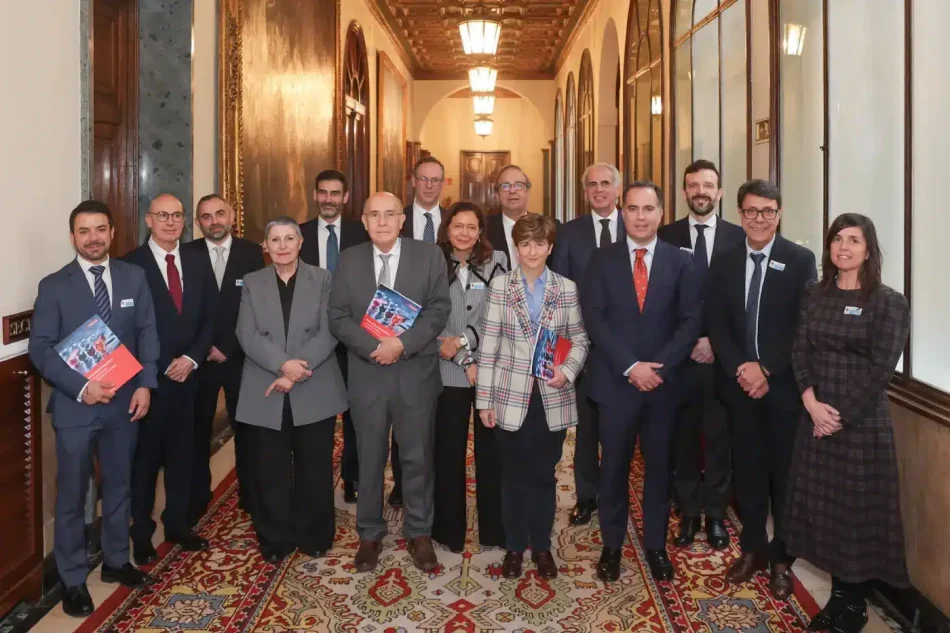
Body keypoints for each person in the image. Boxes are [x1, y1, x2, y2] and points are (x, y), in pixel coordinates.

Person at [29, 201, 159, 617]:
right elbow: (40, 349)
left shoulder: (133, 277)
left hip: (125, 404)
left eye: (100, 229)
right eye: (84, 231)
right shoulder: (54, 286)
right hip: (76, 407)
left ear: (112, 232)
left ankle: (117, 560)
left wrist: (146, 385)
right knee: (72, 496)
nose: (93, 238)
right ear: (73, 237)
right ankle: (71, 579)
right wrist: (81, 387)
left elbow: (147, 334)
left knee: (120, 486)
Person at [784, 214, 910, 633]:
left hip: (859, 425)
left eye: (853, 240)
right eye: (837, 238)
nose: (843, 246)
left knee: (855, 515)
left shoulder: (888, 301)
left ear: (868, 249)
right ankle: (838, 598)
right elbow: (799, 351)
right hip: (815, 416)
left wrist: (838, 416)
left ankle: (853, 608)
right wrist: (811, 403)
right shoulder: (814, 294)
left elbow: (881, 370)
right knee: (826, 514)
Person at [581, 181, 701, 583]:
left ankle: (655, 545)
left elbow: (689, 322)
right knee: (612, 468)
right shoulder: (601, 260)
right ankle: (612, 545)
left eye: (648, 209)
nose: (640, 216)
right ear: (622, 211)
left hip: (664, 389)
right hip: (616, 385)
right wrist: (631, 366)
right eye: (632, 209)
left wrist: (659, 368)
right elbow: (595, 319)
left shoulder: (680, 262)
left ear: (661, 213)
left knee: (659, 470)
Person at [705, 179, 817, 600]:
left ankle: (782, 560)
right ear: (740, 214)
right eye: (751, 211)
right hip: (738, 388)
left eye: (767, 211)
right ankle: (752, 549)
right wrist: (741, 368)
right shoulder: (725, 260)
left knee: (783, 478)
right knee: (748, 474)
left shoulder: (801, 260)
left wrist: (766, 368)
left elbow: (802, 326)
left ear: (779, 214)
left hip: (784, 389)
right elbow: (716, 322)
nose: (759, 219)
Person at [328, 192, 450, 573]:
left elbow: (439, 309)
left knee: (417, 456)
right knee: (369, 457)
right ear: (363, 221)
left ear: (402, 220)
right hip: (368, 374)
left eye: (390, 214)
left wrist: (401, 344)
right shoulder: (348, 260)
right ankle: (369, 532)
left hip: (415, 372)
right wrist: (373, 348)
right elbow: (338, 315)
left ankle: (419, 532)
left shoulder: (429, 256)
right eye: (374, 215)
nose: (382, 221)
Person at [476, 213, 589, 580]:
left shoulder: (567, 288)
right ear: (516, 247)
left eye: (540, 243)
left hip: (551, 396)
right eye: (526, 244)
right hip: (509, 397)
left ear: (550, 247)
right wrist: (484, 401)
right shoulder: (499, 287)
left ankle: (541, 545)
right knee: (512, 476)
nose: (533, 250)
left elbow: (579, 339)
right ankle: (514, 546)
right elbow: (489, 346)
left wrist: (567, 371)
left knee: (543, 475)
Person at [234, 217, 347, 563]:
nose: (282, 246)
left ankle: (315, 535)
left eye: (289, 238)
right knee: (270, 470)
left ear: (301, 243)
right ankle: (275, 539)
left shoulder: (324, 278)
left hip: (314, 384)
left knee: (315, 468)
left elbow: (330, 330)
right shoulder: (253, 282)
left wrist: (297, 370)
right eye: (274, 239)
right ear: (265, 247)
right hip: (266, 386)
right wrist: (283, 366)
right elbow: (246, 333)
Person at [123, 193, 217, 564]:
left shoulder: (197, 259)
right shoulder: (131, 264)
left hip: (190, 378)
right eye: (162, 215)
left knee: (184, 456)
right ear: (148, 219)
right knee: (144, 463)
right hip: (150, 383)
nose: (170, 222)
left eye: (177, 215)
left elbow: (211, 314)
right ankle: (141, 534)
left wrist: (192, 358)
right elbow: (128, 328)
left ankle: (177, 525)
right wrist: (162, 364)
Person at [657, 159, 744, 549]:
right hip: (681, 357)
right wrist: (687, 343)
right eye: (693, 185)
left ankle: (716, 515)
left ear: (720, 192)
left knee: (721, 438)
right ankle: (689, 513)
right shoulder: (665, 235)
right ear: (684, 192)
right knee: (685, 439)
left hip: (723, 358)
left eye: (708, 185)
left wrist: (715, 343)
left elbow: (740, 303)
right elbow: (660, 299)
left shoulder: (739, 237)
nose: (701, 192)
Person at [431, 202, 508, 553]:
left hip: (490, 369)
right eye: (457, 226)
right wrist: (463, 358)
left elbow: (499, 314)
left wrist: (464, 343)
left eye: (471, 227)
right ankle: (449, 530)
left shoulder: (499, 262)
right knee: (447, 453)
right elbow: (424, 319)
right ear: (447, 229)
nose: (464, 233)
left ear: (481, 231)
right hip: (446, 372)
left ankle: (495, 530)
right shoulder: (429, 263)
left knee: (491, 454)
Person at [184, 194, 265, 524]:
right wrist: (202, 347)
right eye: (206, 216)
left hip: (239, 356)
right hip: (198, 361)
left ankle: (250, 494)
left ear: (232, 216)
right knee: (196, 431)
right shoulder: (187, 254)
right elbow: (185, 309)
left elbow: (256, 305)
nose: (214, 221)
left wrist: (228, 345)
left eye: (219, 214)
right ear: (198, 222)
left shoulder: (251, 253)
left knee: (246, 429)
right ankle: (198, 496)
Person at [551, 162, 623, 527]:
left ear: (618, 189)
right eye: (592, 184)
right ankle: (586, 496)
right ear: (585, 191)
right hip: (583, 349)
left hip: (627, 350)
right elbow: (560, 295)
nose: (599, 190)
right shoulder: (569, 233)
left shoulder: (637, 228)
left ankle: (616, 494)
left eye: (606, 183)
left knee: (621, 429)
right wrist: (561, 356)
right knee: (586, 429)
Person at [300, 169, 370, 504]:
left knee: (355, 412)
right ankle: (314, 478)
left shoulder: (362, 233)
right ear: (315, 195)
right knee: (319, 414)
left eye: (335, 193)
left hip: (354, 338)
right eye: (323, 192)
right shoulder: (297, 236)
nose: (328, 199)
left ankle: (352, 476)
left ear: (345, 197)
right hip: (312, 341)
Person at [387, 156, 448, 507]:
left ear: (443, 183)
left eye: (435, 179)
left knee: (434, 413)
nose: (429, 185)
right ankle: (401, 481)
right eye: (423, 179)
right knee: (402, 413)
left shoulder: (450, 223)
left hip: (443, 323)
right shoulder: (396, 220)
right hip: (402, 333)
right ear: (413, 181)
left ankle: (432, 479)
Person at [485, 164, 532, 269]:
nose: (512, 191)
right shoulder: (483, 229)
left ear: (527, 191)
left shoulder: (548, 228)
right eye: (505, 186)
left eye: (518, 185)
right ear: (497, 194)